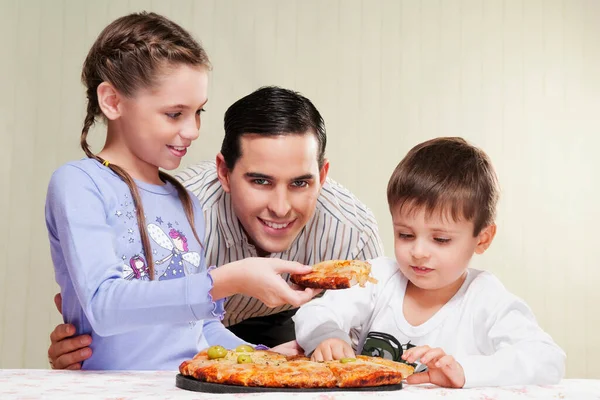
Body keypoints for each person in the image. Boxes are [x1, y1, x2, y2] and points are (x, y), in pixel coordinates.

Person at [45, 12, 319, 371]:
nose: (192, 131)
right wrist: (224, 281)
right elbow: (103, 305)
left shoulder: (185, 201)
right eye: (175, 114)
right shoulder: (79, 184)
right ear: (112, 101)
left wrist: (262, 357)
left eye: (198, 112)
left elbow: (198, 328)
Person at [47, 86, 384, 368]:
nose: (281, 208)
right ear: (223, 172)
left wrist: (269, 357)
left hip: (293, 327)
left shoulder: (354, 231)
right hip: (202, 335)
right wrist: (89, 348)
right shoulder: (180, 209)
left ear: (323, 176)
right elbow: (136, 314)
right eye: (261, 181)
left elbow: (379, 333)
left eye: (300, 183)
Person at [294, 137, 566, 388]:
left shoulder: (484, 298)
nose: (419, 252)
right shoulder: (380, 277)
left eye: (441, 239)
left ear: (482, 239)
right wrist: (328, 337)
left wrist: (464, 371)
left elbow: (547, 359)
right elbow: (315, 313)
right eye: (405, 234)